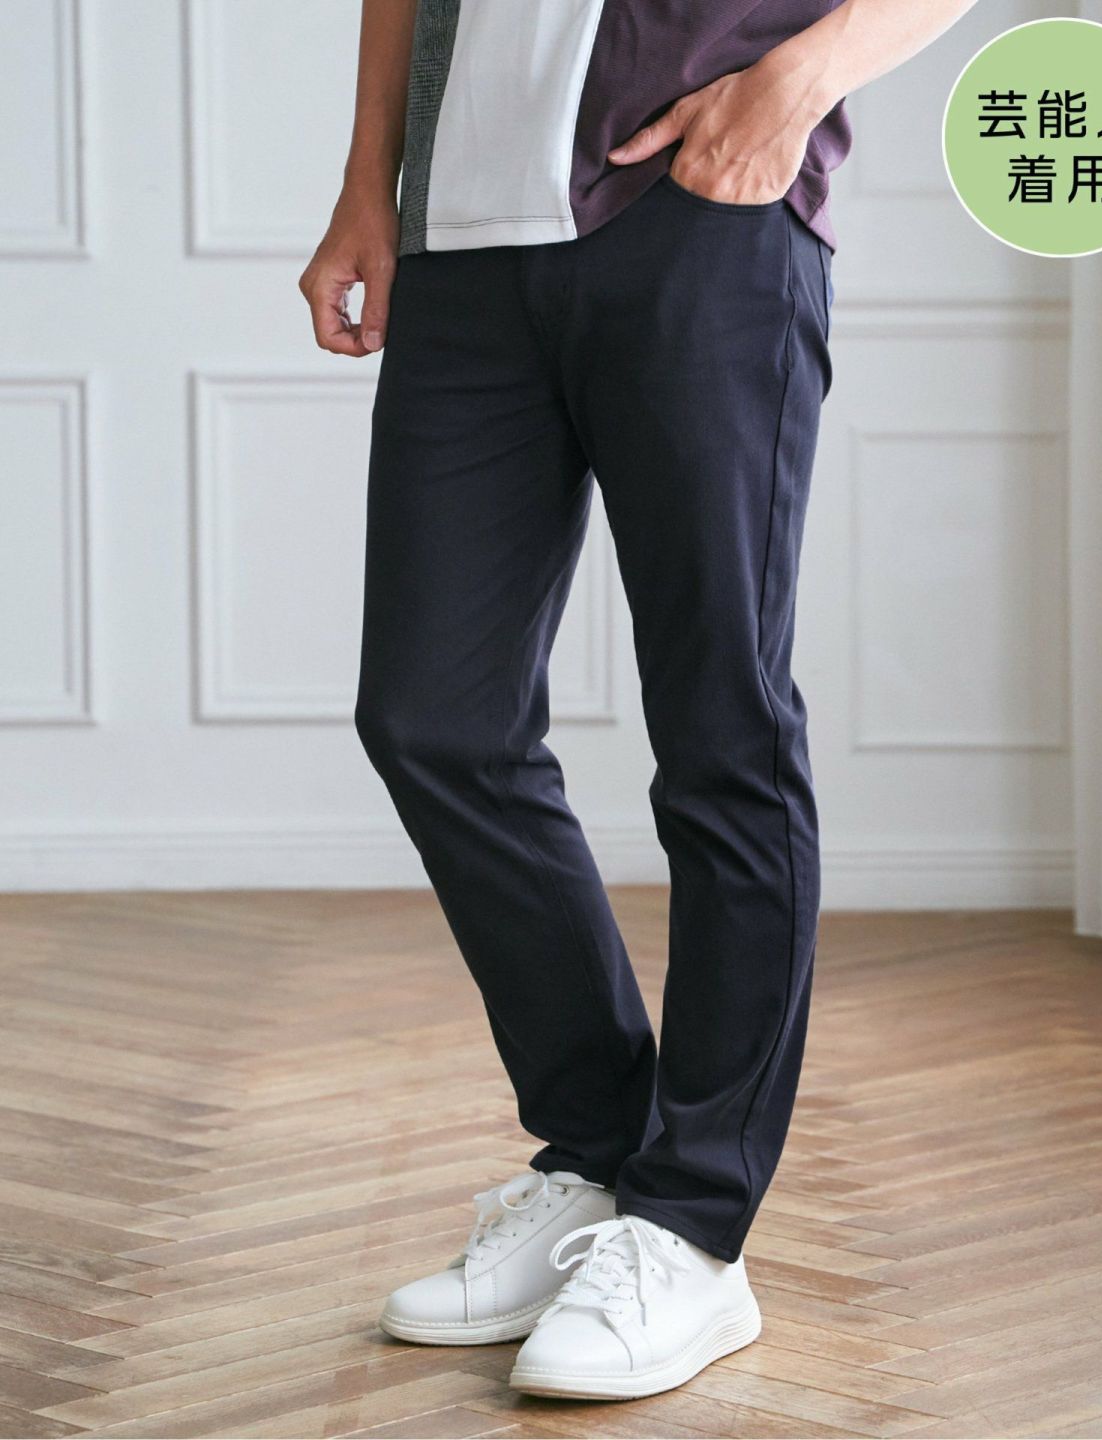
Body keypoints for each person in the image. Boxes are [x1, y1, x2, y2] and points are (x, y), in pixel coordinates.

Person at [301, 0, 976, 1401]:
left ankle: (693, 1227)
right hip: (465, 242)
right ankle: (607, 1155)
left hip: (696, 212)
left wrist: (797, 83)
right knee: (432, 719)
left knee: (722, 730)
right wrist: (372, 182)